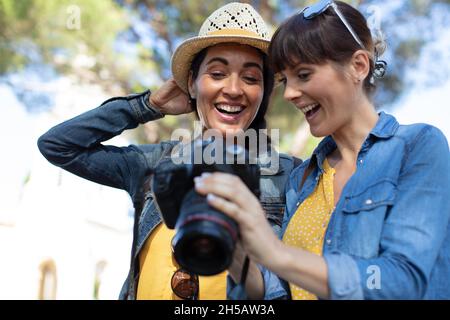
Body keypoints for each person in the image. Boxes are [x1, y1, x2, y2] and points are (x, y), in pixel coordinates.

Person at [38, 2, 299, 300]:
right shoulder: (155, 162)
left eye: (251, 78)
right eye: (217, 73)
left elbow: (288, 287)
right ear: (191, 83)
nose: (234, 89)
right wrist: (149, 105)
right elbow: (59, 145)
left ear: (263, 92)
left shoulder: (290, 175)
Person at [193, 0, 450, 299]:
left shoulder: (418, 147)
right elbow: (278, 290)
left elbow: (401, 281)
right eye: (285, 80)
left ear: (358, 66)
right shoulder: (301, 178)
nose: (288, 94)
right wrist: (235, 248)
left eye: (303, 75)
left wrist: (276, 253)